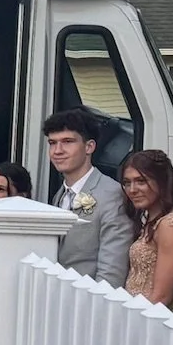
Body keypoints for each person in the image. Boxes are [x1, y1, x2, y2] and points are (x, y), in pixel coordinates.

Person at [45, 109, 132, 288]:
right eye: (52, 143)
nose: (57, 151)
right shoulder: (60, 194)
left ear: (89, 147)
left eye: (67, 142)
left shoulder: (111, 194)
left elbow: (111, 272)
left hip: (88, 303)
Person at [119, 148, 173, 309]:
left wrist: (139, 322)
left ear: (162, 181)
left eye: (141, 181)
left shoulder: (172, 224)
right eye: (127, 182)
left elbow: (162, 296)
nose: (132, 190)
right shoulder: (149, 220)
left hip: (151, 317)